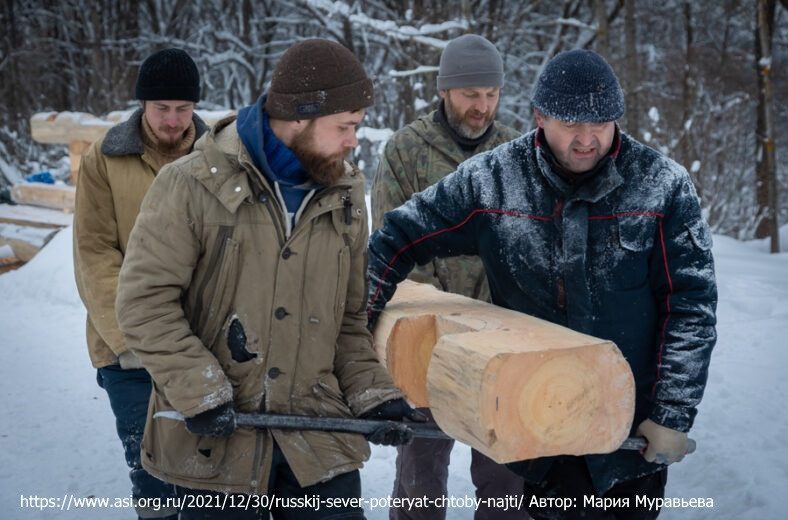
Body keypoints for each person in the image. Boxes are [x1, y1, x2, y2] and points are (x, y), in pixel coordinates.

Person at [367, 49, 717, 520]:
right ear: (539, 116)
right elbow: (397, 236)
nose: (587, 139)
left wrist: (673, 415)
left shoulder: (662, 188)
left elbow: (691, 307)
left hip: (627, 436)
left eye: (602, 124)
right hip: (535, 433)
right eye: (571, 124)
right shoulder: (493, 181)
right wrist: (358, 331)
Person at [115, 39, 419, 520]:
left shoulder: (344, 194)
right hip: (218, 442)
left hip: (318, 438)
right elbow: (143, 304)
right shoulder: (190, 184)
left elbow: (348, 320)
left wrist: (372, 393)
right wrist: (201, 390)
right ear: (299, 117)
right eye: (344, 127)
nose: (352, 142)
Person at [370, 34, 526, 520]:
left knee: (508, 480)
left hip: (502, 344)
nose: (482, 107)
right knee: (420, 475)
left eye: (491, 94)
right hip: (426, 341)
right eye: (470, 94)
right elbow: (390, 245)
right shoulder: (406, 150)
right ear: (444, 91)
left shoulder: (519, 152)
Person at [73, 48, 208, 520]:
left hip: (202, 344)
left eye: (184, 109)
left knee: (208, 478)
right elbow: (94, 254)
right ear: (142, 105)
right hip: (127, 353)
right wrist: (135, 340)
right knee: (153, 474)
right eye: (161, 109)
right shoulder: (105, 159)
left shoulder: (218, 157)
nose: (173, 121)